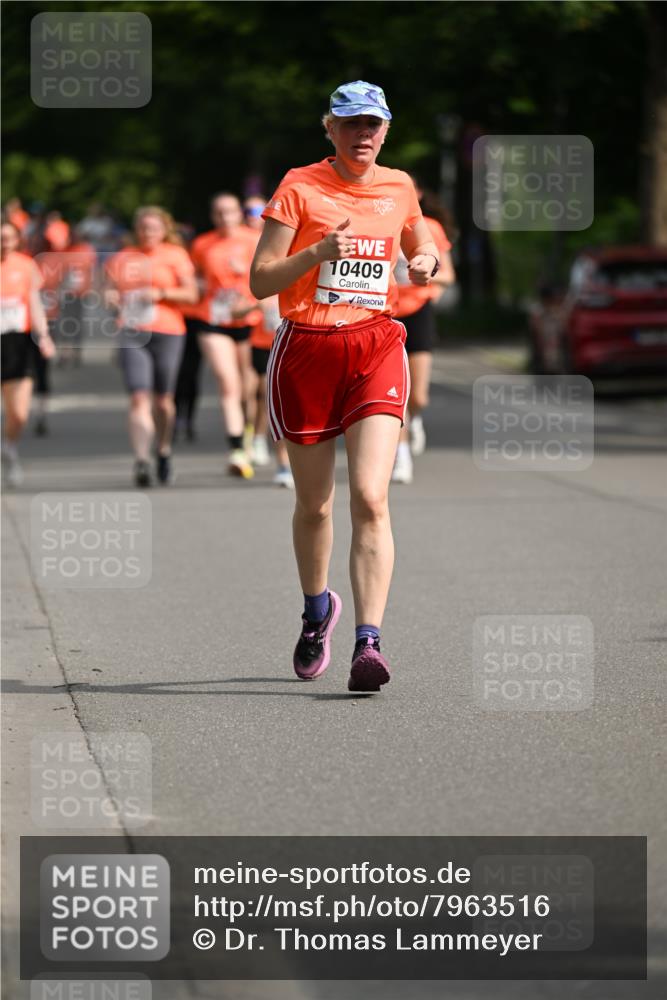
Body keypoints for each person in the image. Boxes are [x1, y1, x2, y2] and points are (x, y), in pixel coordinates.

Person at [250, 81, 440, 692]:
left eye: (374, 124)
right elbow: (259, 281)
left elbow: (421, 238)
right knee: (316, 504)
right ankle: (316, 612)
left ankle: (369, 642)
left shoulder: (399, 185)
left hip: (376, 344)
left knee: (371, 496)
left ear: (386, 129)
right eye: (352, 123)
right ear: (329, 127)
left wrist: (425, 261)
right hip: (306, 347)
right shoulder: (298, 186)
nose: (364, 134)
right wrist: (316, 254)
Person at [105, 206, 198, 487]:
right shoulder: (123, 258)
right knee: (138, 397)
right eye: (143, 228)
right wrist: (110, 298)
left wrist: (160, 293)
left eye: (154, 228)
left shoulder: (176, 255)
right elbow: (108, 289)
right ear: (136, 230)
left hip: (168, 331)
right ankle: (142, 460)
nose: (148, 233)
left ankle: (163, 450)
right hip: (132, 332)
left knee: (163, 401)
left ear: (164, 230)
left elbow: (193, 294)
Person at [190, 193, 262, 478]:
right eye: (219, 213)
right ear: (212, 216)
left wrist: (251, 301)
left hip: (250, 320)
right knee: (227, 382)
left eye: (230, 212)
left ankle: (251, 436)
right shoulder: (202, 245)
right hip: (213, 319)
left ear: (239, 213)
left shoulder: (254, 240)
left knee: (249, 389)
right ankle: (235, 448)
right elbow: (194, 278)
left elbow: (272, 277)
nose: (225, 218)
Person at [391, 183, 456, 483]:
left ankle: (415, 420)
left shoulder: (430, 228)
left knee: (418, 396)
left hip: (418, 312)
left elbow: (447, 275)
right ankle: (400, 456)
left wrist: (426, 278)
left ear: (417, 196)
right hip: (385, 315)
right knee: (397, 394)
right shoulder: (381, 224)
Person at [1, 221, 55, 485]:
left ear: (16, 240)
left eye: (8, 238)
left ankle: (9, 449)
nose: (4, 243)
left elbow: (34, 303)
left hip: (18, 343)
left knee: (19, 413)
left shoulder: (26, 266)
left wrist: (43, 336)